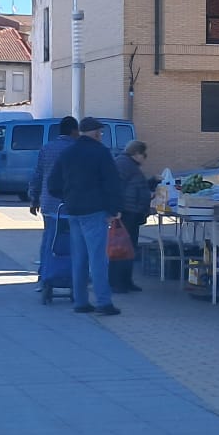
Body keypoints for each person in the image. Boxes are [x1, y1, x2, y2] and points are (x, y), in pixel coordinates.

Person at [50, 116, 123, 316]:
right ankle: (103, 302)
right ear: (95, 132)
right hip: (95, 211)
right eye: (100, 132)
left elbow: (53, 184)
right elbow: (112, 183)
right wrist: (114, 209)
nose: (101, 135)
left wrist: (68, 197)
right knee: (98, 258)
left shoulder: (67, 153)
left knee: (79, 258)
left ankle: (80, 301)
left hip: (73, 211)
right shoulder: (101, 152)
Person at [27, 115, 79, 305]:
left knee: (49, 241)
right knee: (72, 244)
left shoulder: (47, 148)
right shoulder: (76, 149)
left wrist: (33, 198)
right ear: (74, 131)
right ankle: (71, 276)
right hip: (71, 205)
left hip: (49, 205)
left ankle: (44, 277)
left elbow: (38, 174)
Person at [112, 139, 153, 293]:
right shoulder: (124, 164)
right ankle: (119, 282)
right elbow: (117, 187)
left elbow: (135, 186)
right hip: (127, 212)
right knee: (123, 249)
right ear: (136, 153)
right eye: (144, 154)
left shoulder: (128, 164)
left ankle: (126, 281)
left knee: (128, 249)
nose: (145, 158)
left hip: (131, 211)